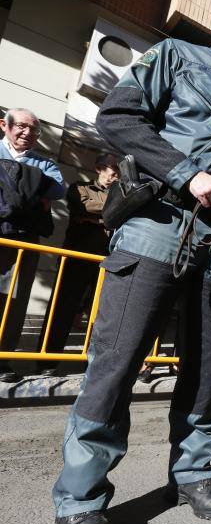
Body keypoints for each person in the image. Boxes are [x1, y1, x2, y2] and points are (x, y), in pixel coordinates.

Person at [51, 0, 211, 524]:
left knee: (205, 374)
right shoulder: (178, 56)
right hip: (156, 235)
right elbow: (119, 118)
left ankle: (193, 475)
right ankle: (80, 504)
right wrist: (186, 173)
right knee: (117, 366)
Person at [36, 154, 120, 377]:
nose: (116, 176)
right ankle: (47, 360)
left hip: (107, 260)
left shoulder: (121, 193)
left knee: (100, 314)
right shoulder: (79, 187)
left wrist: (98, 218)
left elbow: (119, 214)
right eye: (113, 170)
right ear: (99, 168)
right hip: (77, 256)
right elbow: (88, 208)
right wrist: (109, 216)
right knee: (62, 308)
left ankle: (91, 361)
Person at [0, 107, 66, 383]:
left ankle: (2, 357)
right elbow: (39, 192)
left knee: (15, 299)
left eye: (35, 130)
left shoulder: (45, 163)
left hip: (25, 239)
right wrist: (30, 189)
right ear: (5, 125)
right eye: (22, 127)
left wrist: (10, 187)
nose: (28, 133)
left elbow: (58, 189)